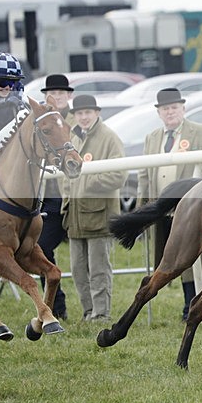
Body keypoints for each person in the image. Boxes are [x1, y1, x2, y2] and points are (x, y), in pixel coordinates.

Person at [137, 87, 202, 320]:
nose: (170, 112)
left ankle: (193, 305)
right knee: (170, 259)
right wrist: (144, 209)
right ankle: (186, 303)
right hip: (163, 209)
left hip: (193, 209)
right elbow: (144, 174)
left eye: (174, 107)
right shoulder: (152, 138)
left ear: (183, 109)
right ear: (159, 112)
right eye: (165, 109)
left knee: (194, 259)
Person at [61, 95, 127, 321]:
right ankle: (88, 311)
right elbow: (65, 175)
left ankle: (101, 314)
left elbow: (119, 175)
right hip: (75, 215)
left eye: (88, 112)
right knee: (78, 270)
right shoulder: (72, 137)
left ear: (97, 113)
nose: (84, 117)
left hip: (100, 214)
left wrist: (87, 182)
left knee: (98, 269)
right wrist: (67, 197)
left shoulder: (109, 137)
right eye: (79, 113)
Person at [37, 74, 75, 320]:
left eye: (61, 93)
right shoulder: (42, 122)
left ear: (69, 96)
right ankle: (55, 305)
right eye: (52, 94)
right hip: (48, 197)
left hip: (71, 197)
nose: (56, 97)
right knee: (41, 248)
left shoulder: (77, 118)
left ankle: (91, 309)